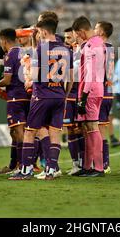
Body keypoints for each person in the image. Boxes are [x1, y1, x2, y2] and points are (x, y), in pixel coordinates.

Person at [9, 16, 73, 180]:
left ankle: (26, 170)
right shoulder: (66, 49)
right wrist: (63, 95)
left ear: (43, 31)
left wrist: (29, 77)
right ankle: (51, 170)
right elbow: (71, 78)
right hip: (59, 95)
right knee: (55, 133)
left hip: (42, 95)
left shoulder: (41, 49)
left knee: (30, 132)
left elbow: (36, 75)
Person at [0, 28, 30, 175]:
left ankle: (23, 166)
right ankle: (17, 164)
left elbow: (7, 80)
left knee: (19, 132)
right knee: (16, 131)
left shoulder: (10, 55)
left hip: (16, 97)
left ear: (3, 41)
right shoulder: (26, 52)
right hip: (27, 95)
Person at [72, 16, 106, 177]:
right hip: (96, 88)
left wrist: (84, 96)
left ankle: (98, 168)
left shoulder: (90, 45)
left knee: (92, 127)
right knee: (87, 128)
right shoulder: (100, 43)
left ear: (81, 31)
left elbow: (90, 73)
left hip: (90, 90)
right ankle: (87, 166)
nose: (78, 37)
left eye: (78, 34)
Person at [95, 21, 116, 173]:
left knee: (99, 129)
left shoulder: (99, 48)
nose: (93, 30)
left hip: (101, 92)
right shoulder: (111, 48)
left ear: (101, 32)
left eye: (96, 28)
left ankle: (105, 163)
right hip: (108, 92)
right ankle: (100, 162)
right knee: (99, 128)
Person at [62, 27, 83, 175]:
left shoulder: (80, 52)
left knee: (81, 129)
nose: (66, 41)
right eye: (65, 38)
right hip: (68, 97)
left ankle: (84, 162)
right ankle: (76, 163)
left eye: (69, 38)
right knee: (70, 130)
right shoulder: (66, 53)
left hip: (79, 94)